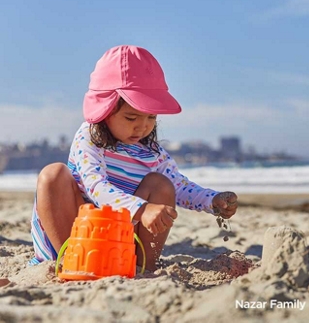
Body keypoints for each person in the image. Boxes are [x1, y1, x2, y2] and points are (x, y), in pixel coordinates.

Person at [31, 45, 238, 271]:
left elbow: (179, 186)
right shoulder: (89, 138)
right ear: (105, 110)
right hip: (75, 234)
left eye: (151, 117)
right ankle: (69, 263)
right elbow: (95, 187)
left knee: (161, 184)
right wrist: (142, 209)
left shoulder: (153, 153)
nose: (142, 127)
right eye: (131, 118)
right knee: (52, 175)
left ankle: (143, 266)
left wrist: (211, 200)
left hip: (120, 244)